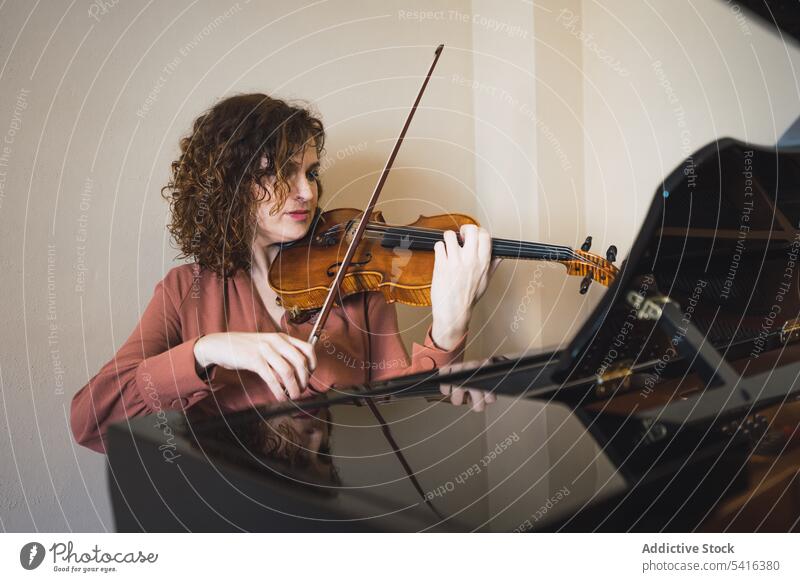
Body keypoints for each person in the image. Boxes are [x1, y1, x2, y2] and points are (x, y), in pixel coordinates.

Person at [70, 93, 498, 454]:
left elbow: (389, 402)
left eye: (310, 172)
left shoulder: (351, 272)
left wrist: (449, 328)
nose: (307, 192)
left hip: (333, 494)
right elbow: (91, 420)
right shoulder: (186, 291)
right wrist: (209, 349)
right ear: (230, 183)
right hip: (229, 501)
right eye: (280, 171)